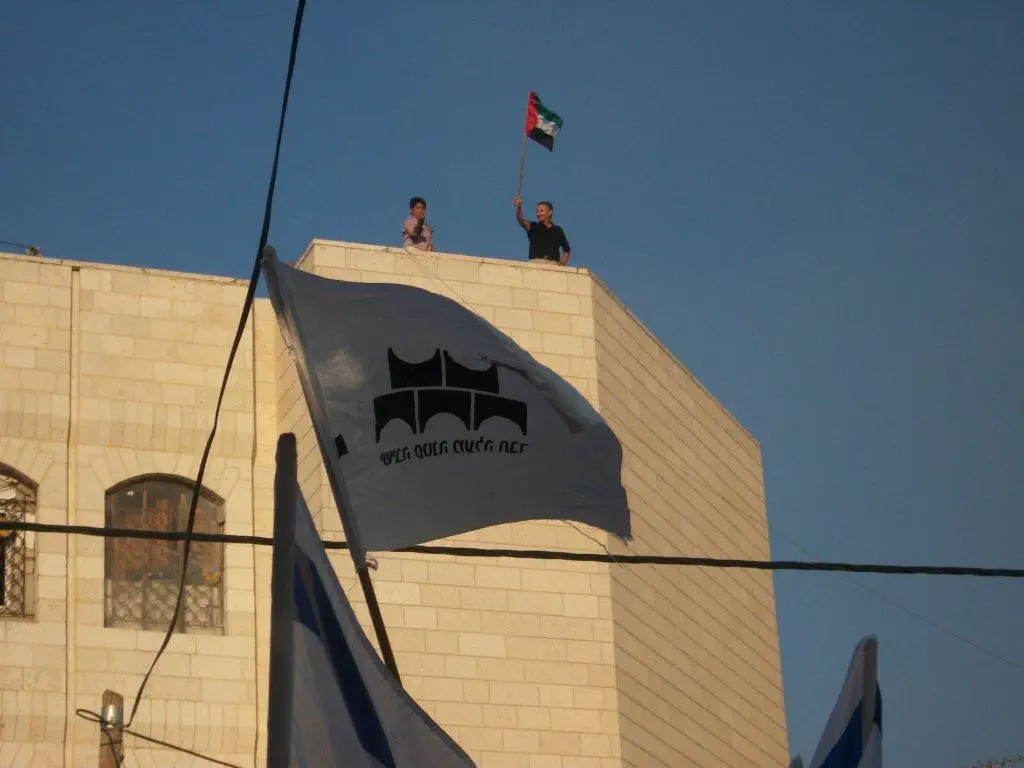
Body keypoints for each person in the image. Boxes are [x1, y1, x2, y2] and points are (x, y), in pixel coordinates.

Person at [513, 197, 571, 265]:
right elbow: (521, 220)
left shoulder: (558, 230)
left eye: (541, 211)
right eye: (537, 211)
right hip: (535, 263)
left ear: (549, 212)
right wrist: (519, 207)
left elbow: (567, 250)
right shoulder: (533, 226)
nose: (538, 214)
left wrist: (561, 265)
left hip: (553, 264)